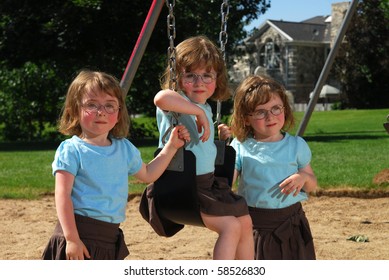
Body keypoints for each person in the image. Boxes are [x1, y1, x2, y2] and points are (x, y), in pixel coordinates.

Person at [42, 70, 190, 260]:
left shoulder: (124, 148)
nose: (101, 111)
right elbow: (62, 196)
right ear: (74, 111)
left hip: (109, 236)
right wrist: (71, 239)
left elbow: (148, 174)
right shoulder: (71, 149)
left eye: (109, 106)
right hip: (78, 234)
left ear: (119, 114)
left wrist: (171, 147)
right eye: (91, 105)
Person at [153, 35, 254, 260]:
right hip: (182, 189)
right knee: (231, 227)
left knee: (245, 222)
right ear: (177, 78)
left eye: (207, 75)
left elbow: (201, 146)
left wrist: (220, 141)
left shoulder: (206, 107)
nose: (199, 82)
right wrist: (197, 113)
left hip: (208, 186)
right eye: (190, 75)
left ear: (217, 79)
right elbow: (161, 98)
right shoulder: (176, 102)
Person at [219, 74, 317, 260]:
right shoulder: (240, 147)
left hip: (292, 224)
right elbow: (226, 183)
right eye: (260, 112)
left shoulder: (297, 145)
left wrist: (303, 178)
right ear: (245, 118)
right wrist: (224, 149)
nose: (270, 116)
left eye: (275, 108)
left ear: (285, 109)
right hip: (256, 225)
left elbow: (312, 183)